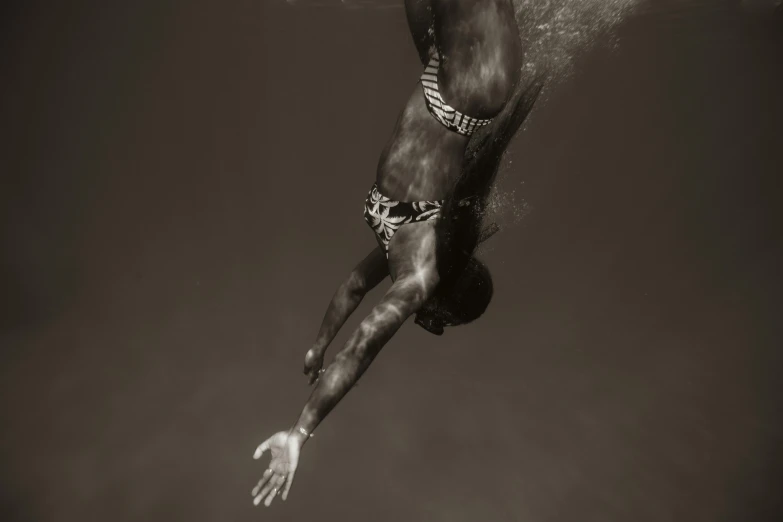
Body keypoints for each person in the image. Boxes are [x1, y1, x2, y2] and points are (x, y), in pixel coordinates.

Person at [251, 0, 543, 507]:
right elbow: (364, 344)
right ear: (446, 302)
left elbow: (354, 288)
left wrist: (317, 346)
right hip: (476, 81)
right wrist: (300, 432)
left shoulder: (404, 256)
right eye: (442, 322)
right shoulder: (418, 279)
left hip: (454, 74)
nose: (428, 323)